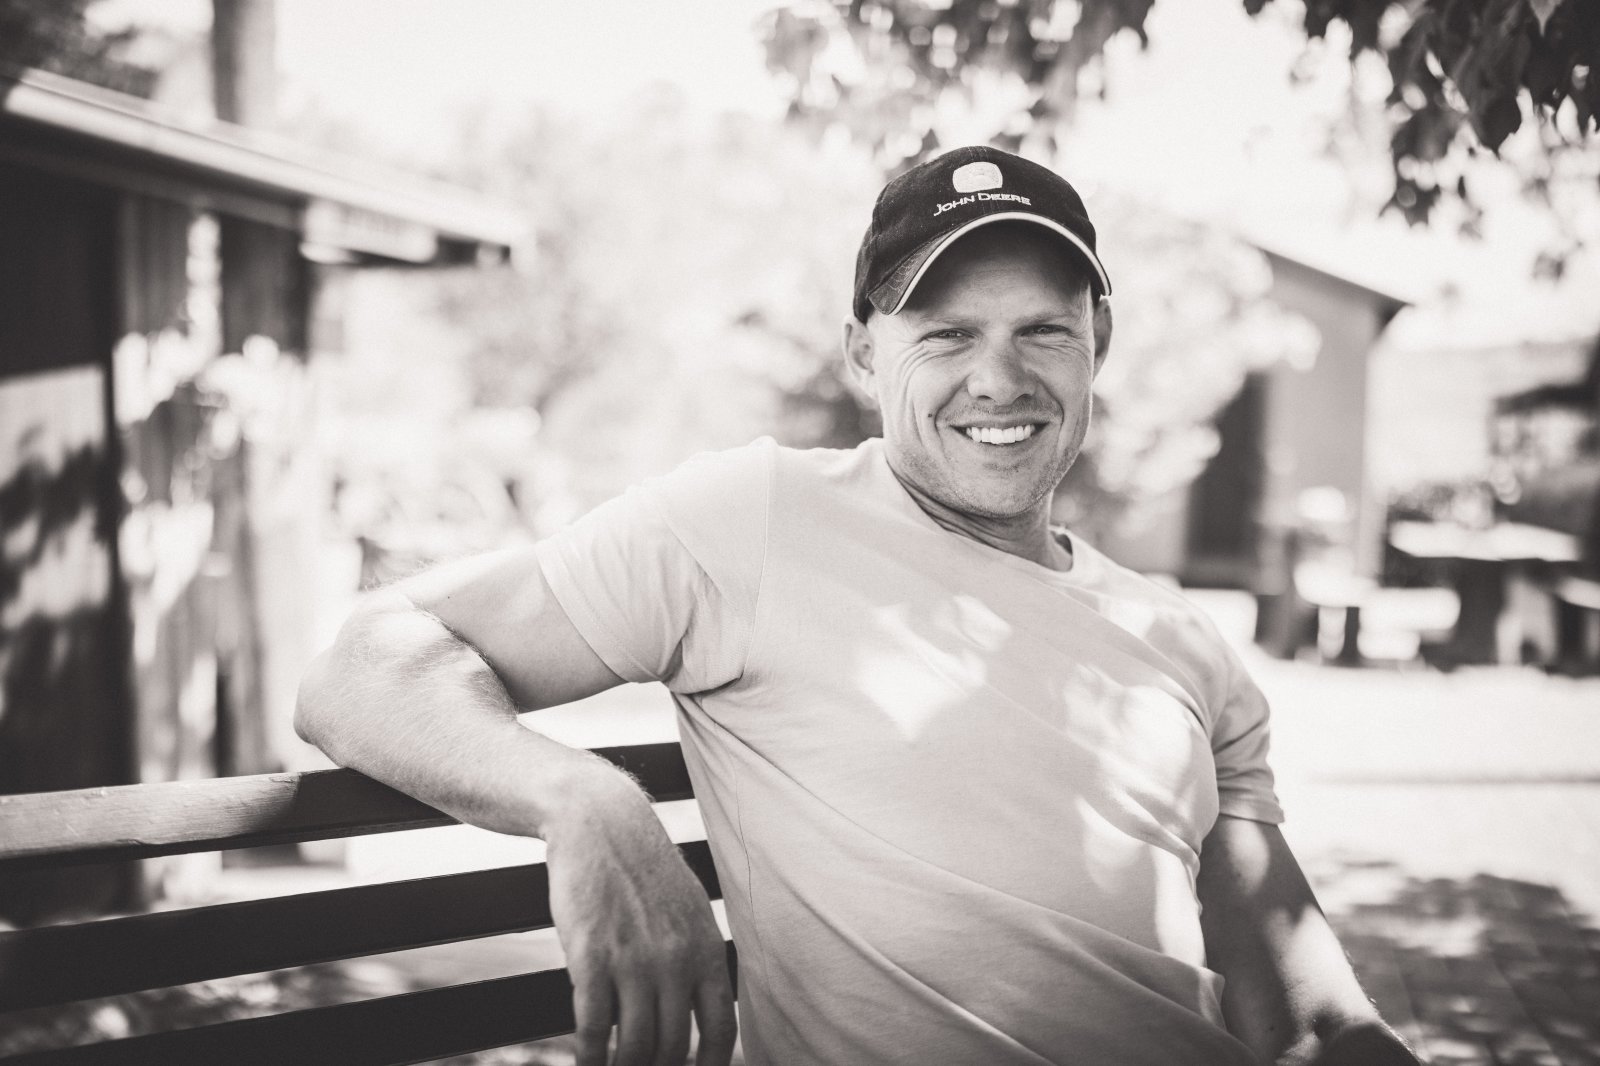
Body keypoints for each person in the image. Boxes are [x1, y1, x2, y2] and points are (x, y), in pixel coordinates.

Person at [296, 145, 1419, 1066]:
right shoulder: (753, 521)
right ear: (862, 354)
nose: (999, 378)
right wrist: (581, 799)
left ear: (1098, 346)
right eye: (946, 334)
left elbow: (1312, 1020)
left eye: (1041, 330)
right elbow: (364, 662)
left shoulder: (1183, 644)